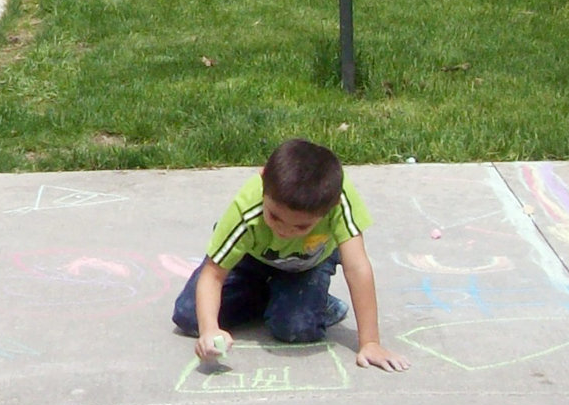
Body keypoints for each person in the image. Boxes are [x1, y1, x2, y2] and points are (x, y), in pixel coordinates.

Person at [170, 139, 411, 372]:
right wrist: (210, 330)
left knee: (296, 328)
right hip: (251, 260)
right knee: (190, 315)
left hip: (308, 263)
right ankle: (275, 296)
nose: (284, 231)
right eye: (274, 217)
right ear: (263, 180)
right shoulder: (247, 208)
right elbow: (213, 275)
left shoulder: (339, 201)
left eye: (301, 227)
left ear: (331, 206)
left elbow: (357, 267)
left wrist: (370, 342)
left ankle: (318, 303)